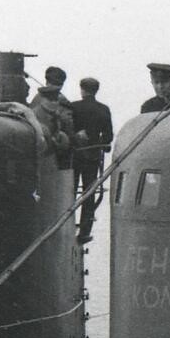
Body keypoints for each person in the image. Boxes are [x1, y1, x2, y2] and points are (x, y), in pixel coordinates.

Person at [71, 77, 113, 244]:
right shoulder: (103, 109)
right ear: (96, 90)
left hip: (75, 156)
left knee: (71, 192)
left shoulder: (73, 107)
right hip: (93, 157)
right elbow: (108, 136)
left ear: (82, 89)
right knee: (89, 193)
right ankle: (84, 231)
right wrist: (98, 142)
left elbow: (68, 130)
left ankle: (67, 224)